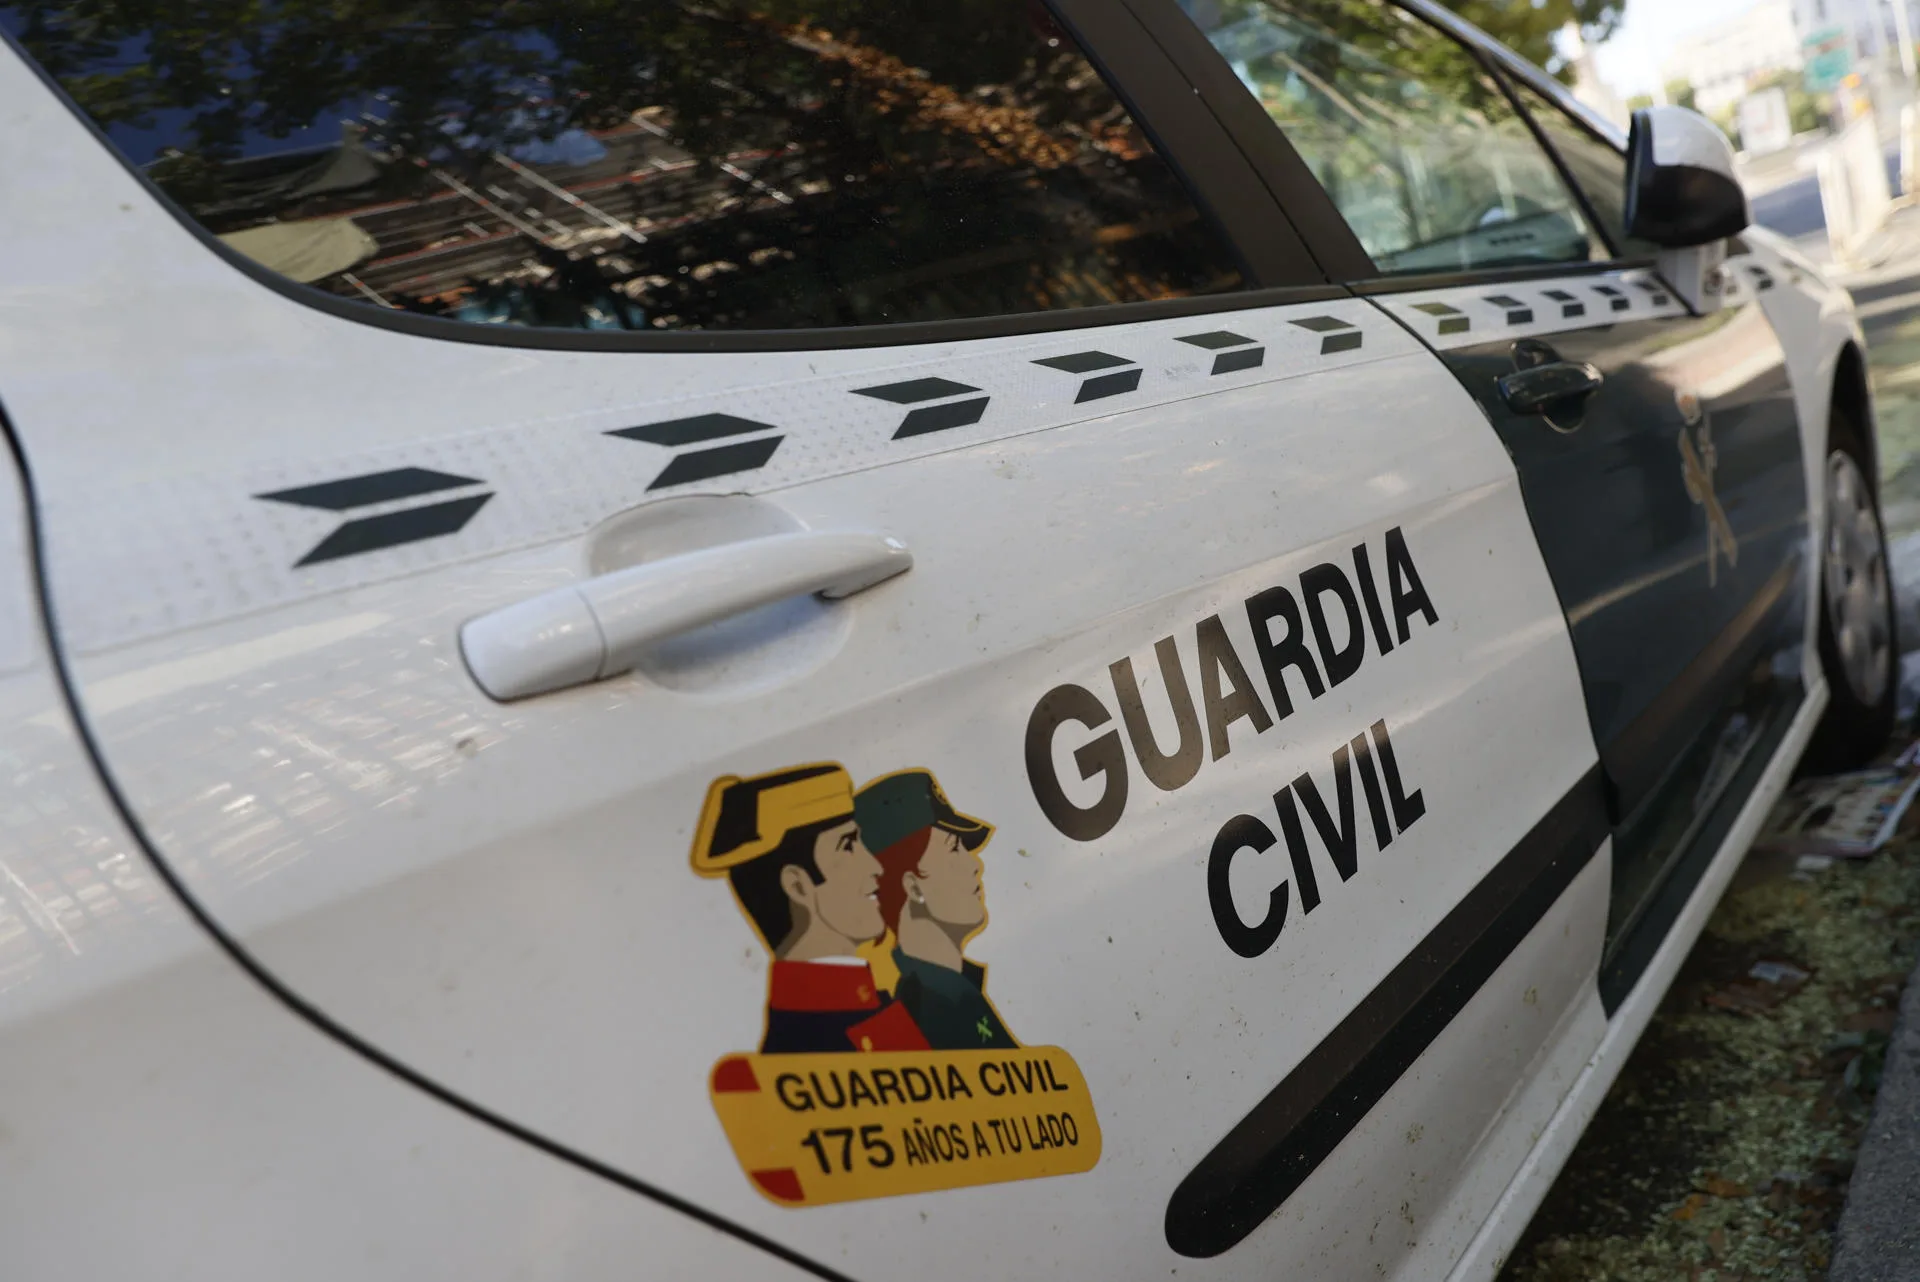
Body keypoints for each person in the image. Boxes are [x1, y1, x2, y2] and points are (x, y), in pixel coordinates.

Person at [693, 763, 927, 1054]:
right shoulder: (805, 1040)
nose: (875, 866)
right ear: (798, 886)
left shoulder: (868, 1006)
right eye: (848, 846)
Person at [856, 769, 1018, 1050]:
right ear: (913, 886)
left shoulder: (953, 993)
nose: (976, 864)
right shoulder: (936, 1008)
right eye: (955, 848)